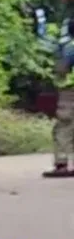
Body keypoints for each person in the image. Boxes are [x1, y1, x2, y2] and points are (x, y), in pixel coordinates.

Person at [52, 19, 74, 174]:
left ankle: (62, 163)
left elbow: (62, 69)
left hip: (70, 91)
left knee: (64, 126)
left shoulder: (70, 48)